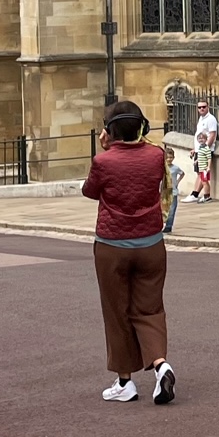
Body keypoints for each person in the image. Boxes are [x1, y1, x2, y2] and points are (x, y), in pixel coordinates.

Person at [82, 99, 176, 405]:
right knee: (150, 309)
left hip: (112, 246)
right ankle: (161, 366)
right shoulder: (156, 155)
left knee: (116, 312)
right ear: (142, 127)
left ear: (109, 131)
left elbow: (90, 190)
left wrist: (105, 149)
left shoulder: (104, 161)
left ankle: (125, 382)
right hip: (151, 244)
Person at [190, 100, 216, 201]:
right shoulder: (201, 119)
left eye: (204, 107)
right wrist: (195, 149)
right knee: (199, 173)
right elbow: (200, 135)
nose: (201, 109)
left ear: (208, 107)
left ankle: (202, 195)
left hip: (204, 151)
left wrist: (205, 148)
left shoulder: (211, 119)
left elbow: (212, 135)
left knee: (203, 175)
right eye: (199, 107)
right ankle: (195, 194)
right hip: (199, 150)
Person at [162, 144, 184, 235]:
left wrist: (177, 182)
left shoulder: (175, 168)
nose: (169, 159)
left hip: (173, 191)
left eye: (171, 157)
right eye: (167, 158)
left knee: (172, 210)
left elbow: (182, 173)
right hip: (164, 191)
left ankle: (168, 226)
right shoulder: (162, 167)